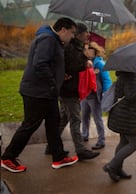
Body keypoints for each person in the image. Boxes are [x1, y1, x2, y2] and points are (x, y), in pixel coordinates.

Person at [1, 17, 79, 173]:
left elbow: (47, 63)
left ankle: (58, 157)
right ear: (63, 30)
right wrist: (52, 82)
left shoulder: (53, 40)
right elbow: (40, 63)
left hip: (45, 92)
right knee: (30, 125)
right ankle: (8, 158)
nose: (72, 37)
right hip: (37, 92)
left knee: (53, 123)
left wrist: (59, 75)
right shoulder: (48, 39)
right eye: (71, 33)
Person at [54, 22, 100, 160]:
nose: (88, 34)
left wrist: (85, 56)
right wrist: (86, 60)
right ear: (80, 33)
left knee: (64, 118)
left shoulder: (75, 46)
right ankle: (80, 150)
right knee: (75, 119)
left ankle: (52, 145)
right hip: (69, 90)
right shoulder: (71, 47)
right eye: (86, 32)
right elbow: (73, 66)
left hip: (68, 89)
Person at [103, 71, 136, 182]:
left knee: (124, 142)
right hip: (128, 115)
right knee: (135, 143)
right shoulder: (131, 76)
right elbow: (131, 96)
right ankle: (112, 166)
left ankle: (117, 169)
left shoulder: (128, 74)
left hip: (123, 114)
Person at [81, 42, 112, 150]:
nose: (87, 51)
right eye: (86, 49)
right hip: (84, 95)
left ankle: (101, 140)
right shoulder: (83, 62)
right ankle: (84, 135)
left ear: (95, 51)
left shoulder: (99, 64)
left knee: (97, 118)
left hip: (95, 96)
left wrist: (105, 93)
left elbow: (106, 80)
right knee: (84, 116)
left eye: (90, 49)